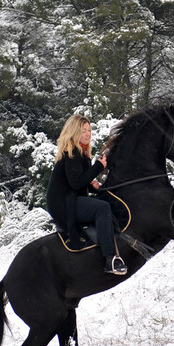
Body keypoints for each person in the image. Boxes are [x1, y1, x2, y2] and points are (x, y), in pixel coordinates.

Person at [46, 114, 127, 275]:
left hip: (70, 200)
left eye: (89, 130)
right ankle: (110, 258)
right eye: (83, 131)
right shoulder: (72, 153)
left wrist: (93, 186)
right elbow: (76, 183)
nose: (88, 134)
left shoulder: (81, 154)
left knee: (102, 203)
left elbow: (79, 182)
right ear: (74, 132)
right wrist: (98, 167)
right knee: (102, 208)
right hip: (63, 205)